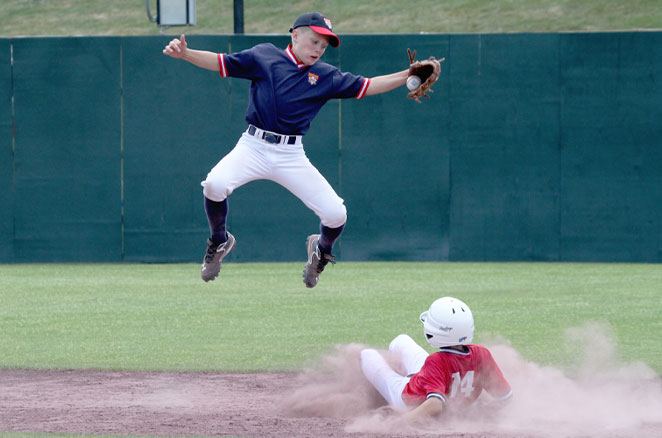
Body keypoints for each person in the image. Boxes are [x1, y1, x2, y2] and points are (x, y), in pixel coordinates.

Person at [162, 12, 413, 287]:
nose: (318, 49)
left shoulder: (325, 75)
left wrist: (408, 75)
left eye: (323, 45)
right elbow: (223, 61)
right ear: (295, 35)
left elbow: (368, 85)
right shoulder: (264, 57)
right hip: (253, 146)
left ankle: (321, 250)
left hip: (290, 154)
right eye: (314, 40)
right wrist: (186, 54)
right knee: (214, 184)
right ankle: (220, 241)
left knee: (336, 214)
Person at [360, 297, 512, 422]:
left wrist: (397, 423)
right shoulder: (482, 353)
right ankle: (405, 374)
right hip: (431, 377)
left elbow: (434, 405)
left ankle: (396, 381)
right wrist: (475, 412)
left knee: (366, 355)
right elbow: (505, 397)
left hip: (407, 398)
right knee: (401, 340)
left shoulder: (436, 361)